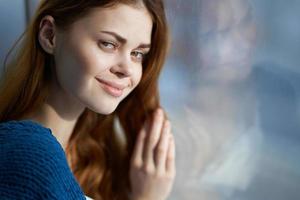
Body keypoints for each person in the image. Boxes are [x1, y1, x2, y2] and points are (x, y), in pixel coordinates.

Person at [0, 0, 176, 200]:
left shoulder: (93, 159)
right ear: (49, 35)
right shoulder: (29, 158)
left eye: (137, 54)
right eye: (108, 44)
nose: (126, 69)